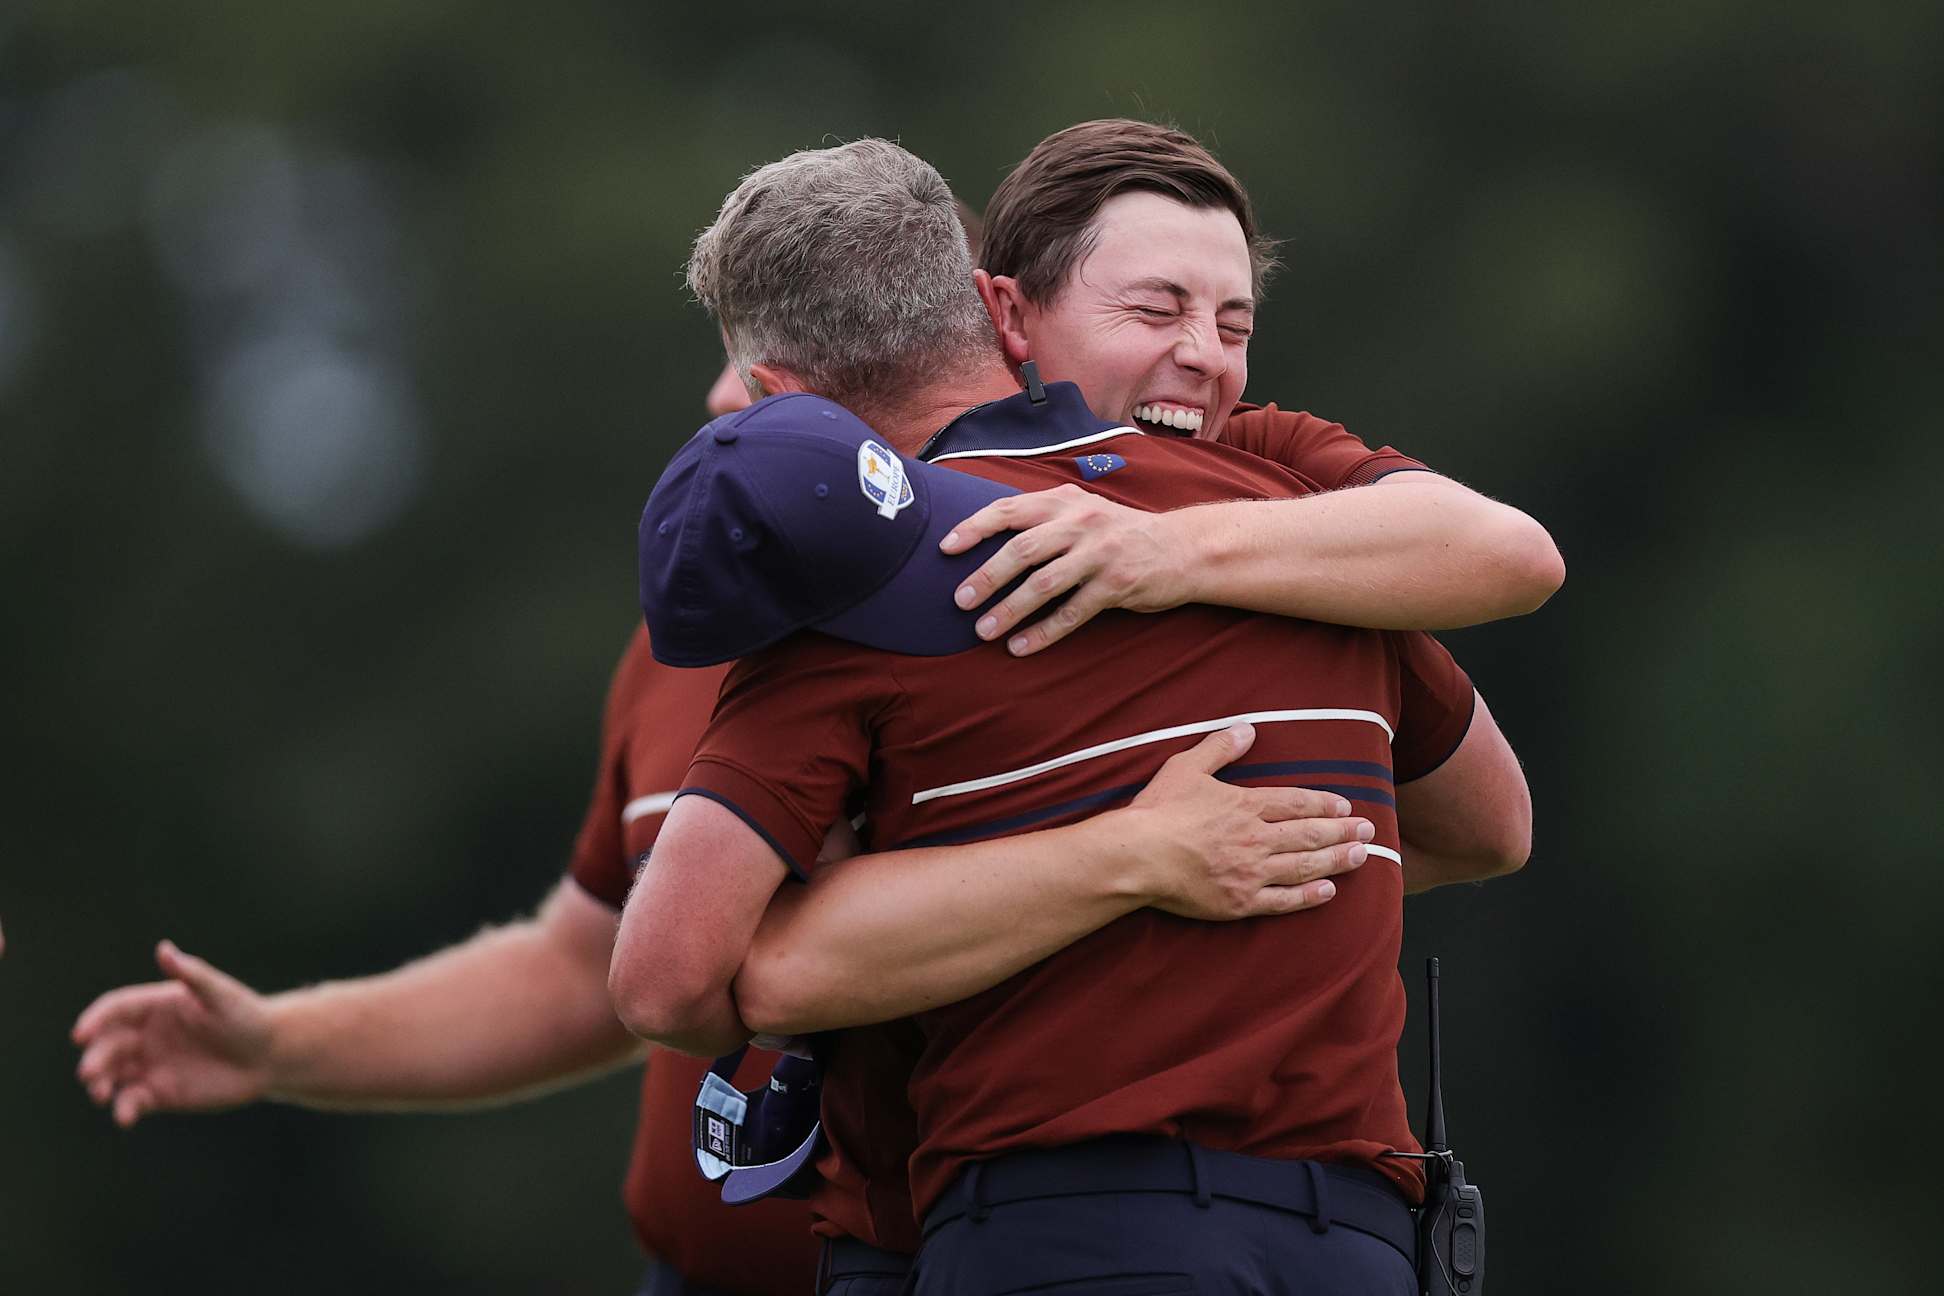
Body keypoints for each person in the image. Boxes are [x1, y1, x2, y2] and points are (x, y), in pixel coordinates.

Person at [612, 139, 1538, 1293]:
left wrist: (1105, 861)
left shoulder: (870, 574)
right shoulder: (1313, 528)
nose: (1201, 358)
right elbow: (1492, 823)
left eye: (1232, 324)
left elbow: (672, 981)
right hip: (1355, 1243)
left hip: (1046, 1229)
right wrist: (1181, 859)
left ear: (780, 402)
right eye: (1159, 308)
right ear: (996, 310)